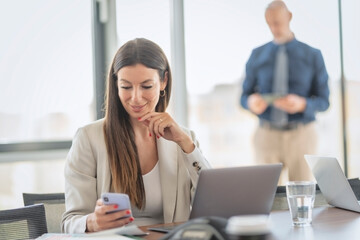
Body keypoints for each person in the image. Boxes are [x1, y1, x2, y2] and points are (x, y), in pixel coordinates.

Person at [62, 38, 211, 233]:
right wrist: (92, 222)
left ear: (163, 81)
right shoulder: (89, 138)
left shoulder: (184, 138)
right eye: (126, 87)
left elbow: (212, 204)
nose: (136, 97)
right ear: (116, 84)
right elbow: (69, 222)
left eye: (146, 86)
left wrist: (186, 145)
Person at [240, 0, 329, 184]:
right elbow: (243, 97)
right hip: (266, 135)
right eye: (270, 23)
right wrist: (251, 103)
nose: (274, 28)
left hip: (302, 135)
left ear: (289, 17)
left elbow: (324, 101)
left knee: (303, 195)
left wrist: (303, 104)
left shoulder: (313, 55)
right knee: (266, 196)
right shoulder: (256, 55)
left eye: (278, 22)